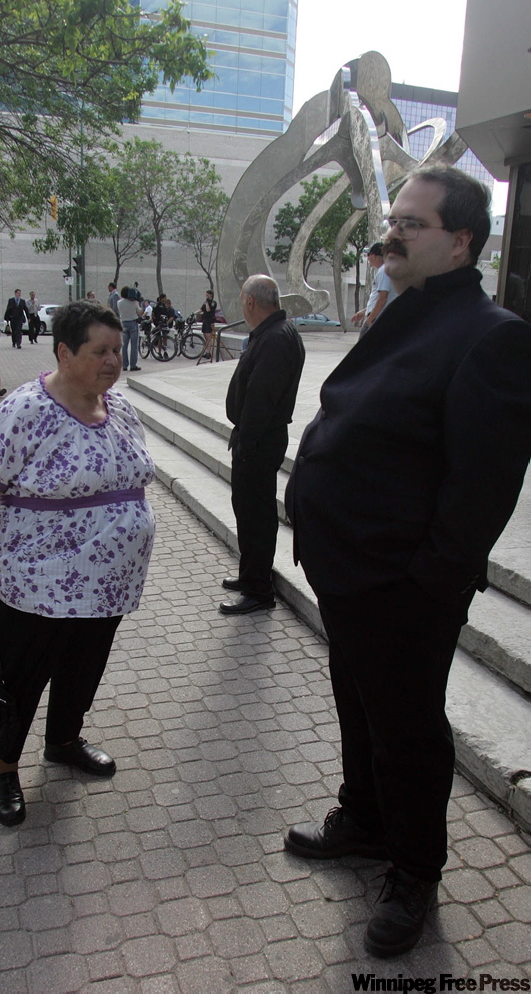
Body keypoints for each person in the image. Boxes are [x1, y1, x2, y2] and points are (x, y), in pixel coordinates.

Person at [283, 165, 531, 958]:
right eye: (393, 219)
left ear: (461, 242)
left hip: (401, 585)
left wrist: (428, 585)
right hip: (347, 567)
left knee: (408, 729)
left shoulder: (492, 336)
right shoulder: (404, 308)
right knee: (356, 701)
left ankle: (415, 871)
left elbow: (482, 489)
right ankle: (364, 819)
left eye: (412, 224)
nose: (391, 232)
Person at [0, 299, 156, 827]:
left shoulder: (117, 407)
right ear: (65, 353)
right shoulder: (26, 410)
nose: (114, 361)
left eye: (117, 350)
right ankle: (3, 768)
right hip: (35, 584)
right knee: (19, 678)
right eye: (101, 351)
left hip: (107, 587)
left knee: (82, 668)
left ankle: (64, 739)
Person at [220, 274, 305, 616]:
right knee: (248, 510)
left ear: (251, 302)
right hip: (255, 436)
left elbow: (261, 397)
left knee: (256, 514)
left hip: (259, 438)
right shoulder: (273, 334)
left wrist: (247, 442)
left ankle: (258, 590)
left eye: (242, 301)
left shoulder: (276, 338)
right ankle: (250, 576)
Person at [351, 241, 397, 338]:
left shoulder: (383, 271)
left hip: (376, 318)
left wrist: (370, 318)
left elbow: (383, 298)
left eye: (368, 255)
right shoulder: (389, 270)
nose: (367, 258)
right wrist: (364, 311)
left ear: (374, 256)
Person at [117, 285, 144, 371]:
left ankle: (124, 365)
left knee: (124, 346)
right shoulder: (135, 303)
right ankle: (133, 365)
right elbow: (140, 312)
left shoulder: (119, 303)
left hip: (123, 323)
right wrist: (140, 303)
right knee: (134, 345)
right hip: (133, 323)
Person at [198, 288, 217, 358]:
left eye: (207, 294)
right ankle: (207, 351)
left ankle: (208, 352)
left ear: (211, 295)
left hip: (210, 320)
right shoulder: (205, 302)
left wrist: (207, 302)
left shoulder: (213, 303)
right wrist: (193, 313)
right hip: (205, 320)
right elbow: (201, 309)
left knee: (209, 337)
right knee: (205, 335)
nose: (206, 295)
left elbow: (208, 310)